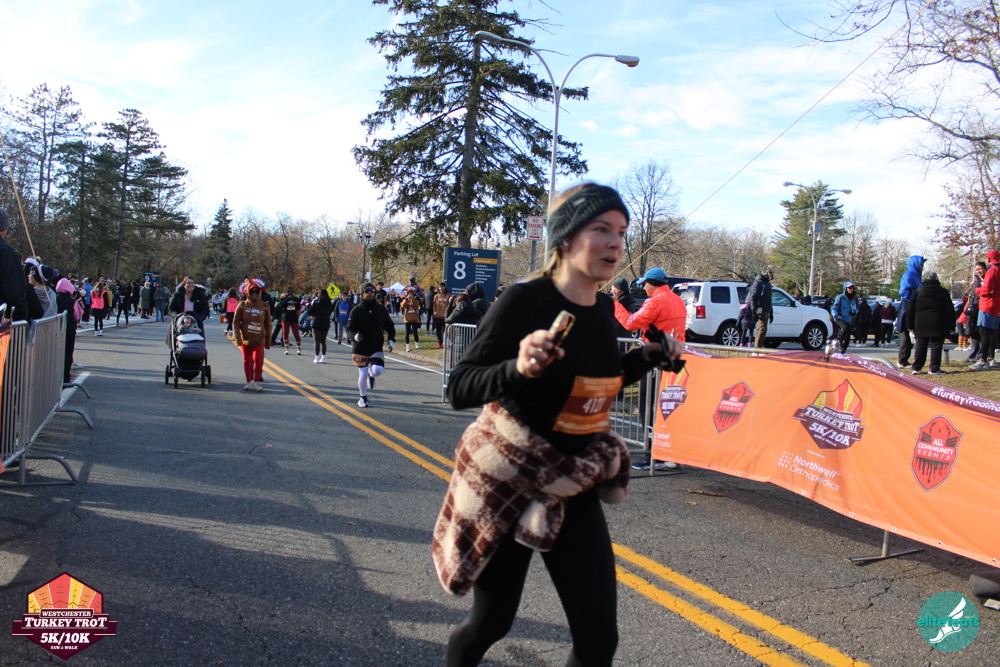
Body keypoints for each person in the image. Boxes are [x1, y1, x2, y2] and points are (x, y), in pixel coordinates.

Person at [435, 183, 681, 667]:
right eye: (602, 229)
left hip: (572, 482)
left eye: (621, 232)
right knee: (492, 622)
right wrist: (518, 367)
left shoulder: (602, 309)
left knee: (598, 641)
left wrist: (649, 357)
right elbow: (459, 388)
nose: (615, 242)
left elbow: (596, 384)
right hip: (511, 478)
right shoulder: (523, 301)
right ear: (566, 238)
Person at [346, 282, 396, 408]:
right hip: (360, 347)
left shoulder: (381, 309)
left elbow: (390, 326)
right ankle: (362, 398)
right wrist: (355, 336)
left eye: (371, 291)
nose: (369, 294)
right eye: (367, 291)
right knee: (362, 373)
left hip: (376, 345)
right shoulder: (356, 311)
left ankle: (371, 375)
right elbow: (350, 329)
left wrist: (391, 340)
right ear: (362, 294)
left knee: (378, 370)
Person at [905, 272, 956, 375]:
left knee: (921, 345)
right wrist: (951, 325)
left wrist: (909, 324)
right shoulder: (943, 292)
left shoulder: (918, 291)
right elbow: (949, 310)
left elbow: (910, 309)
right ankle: (934, 368)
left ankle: (916, 367)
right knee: (936, 345)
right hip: (938, 321)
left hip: (920, 322)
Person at [232, 278, 272, 392]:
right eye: (252, 291)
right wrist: (238, 339)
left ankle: (257, 381)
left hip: (259, 339)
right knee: (247, 360)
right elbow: (235, 322)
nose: (254, 294)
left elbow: (268, 324)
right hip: (246, 339)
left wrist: (268, 341)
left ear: (260, 293)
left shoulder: (264, 306)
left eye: (256, 291)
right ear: (247, 293)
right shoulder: (242, 305)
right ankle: (249, 381)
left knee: (258, 360)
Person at [972, 250, 1000, 370]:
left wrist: (978, 289)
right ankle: (990, 358)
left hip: (987, 305)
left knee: (984, 332)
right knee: (992, 332)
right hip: (996, 306)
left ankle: (983, 359)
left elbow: (987, 289)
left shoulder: (992, 271)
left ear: (988, 259)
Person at [896, 255, 925, 369]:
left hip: (914, 307)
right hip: (907, 307)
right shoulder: (909, 275)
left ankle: (905, 359)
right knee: (905, 334)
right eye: (921, 263)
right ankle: (901, 360)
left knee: (912, 334)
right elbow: (903, 291)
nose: (922, 266)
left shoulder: (917, 276)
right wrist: (913, 300)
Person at [745, 265, 775, 348]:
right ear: (765, 272)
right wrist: (754, 311)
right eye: (770, 272)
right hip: (760, 308)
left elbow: (769, 299)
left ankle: (758, 347)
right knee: (761, 328)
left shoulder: (767, 283)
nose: (771, 274)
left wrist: (771, 311)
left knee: (763, 329)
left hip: (766, 308)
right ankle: (757, 349)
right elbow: (753, 297)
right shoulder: (758, 282)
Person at [965, 262, 986, 362]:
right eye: (977, 269)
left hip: (981, 309)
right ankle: (973, 353)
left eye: (980, 269)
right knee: (973, 332)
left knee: (981, 333)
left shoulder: (985, 281)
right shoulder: (976, 282)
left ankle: (981, 355)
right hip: (972, 311)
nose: (978, 271)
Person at [831, 282, 859, 354]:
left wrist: (855, 312)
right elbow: (833, 308)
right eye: (849, 288)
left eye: (852, 288)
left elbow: (857, 308)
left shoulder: (855, 298)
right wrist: (835, 315)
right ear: (845, 288)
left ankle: (843, 351)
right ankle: (839, 341)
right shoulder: (840, 297)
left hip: (848, 319)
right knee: (844, 327)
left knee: (847, 337)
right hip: (839, 318)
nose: (851, 289)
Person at [307, 289, 334, 363]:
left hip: (316, 323)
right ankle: (323, 357)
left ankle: (316, 357)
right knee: (323, 341)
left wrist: (307, 306)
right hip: (325, 323)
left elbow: (310, 312)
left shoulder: (316, 303)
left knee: (317, 341)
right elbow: (330, 312)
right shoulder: (329, 304)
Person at [277, 288, 303, 355]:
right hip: (285, 318)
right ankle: (287, 349)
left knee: (296, 333)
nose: (289, 293)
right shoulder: (284, 298)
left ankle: (299, 349)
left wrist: (295, 302)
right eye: (288, 292)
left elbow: (298, 307)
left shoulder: (296, 299)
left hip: (293, 318)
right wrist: (287, 299)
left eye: (290, 292)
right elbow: (280, 306)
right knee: (285, 333)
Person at [401, 287, 422, 351]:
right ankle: (407, 345)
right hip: (407, 318)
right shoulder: (405, 300)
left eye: (411, 294)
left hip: (414, 318)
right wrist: (406, 299)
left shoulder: (416, 301)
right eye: (409, 294)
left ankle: (417, 343)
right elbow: (403, 306)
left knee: (415, 332)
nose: (410, 295)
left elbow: (416, 306)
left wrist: (412, 300)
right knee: (407, 333)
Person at [433, 282, 450, 348]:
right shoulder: (436, 296)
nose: (440, 288)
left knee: (445, 330)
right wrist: (434, 313)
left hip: (445, 316)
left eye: (442, 287)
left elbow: (450, 306)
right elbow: (434, 305)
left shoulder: (448, 296)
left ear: (444, 287)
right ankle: (440, 343)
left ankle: (446, 342)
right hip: (437, 316)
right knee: (438, 330)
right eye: (439, 287)